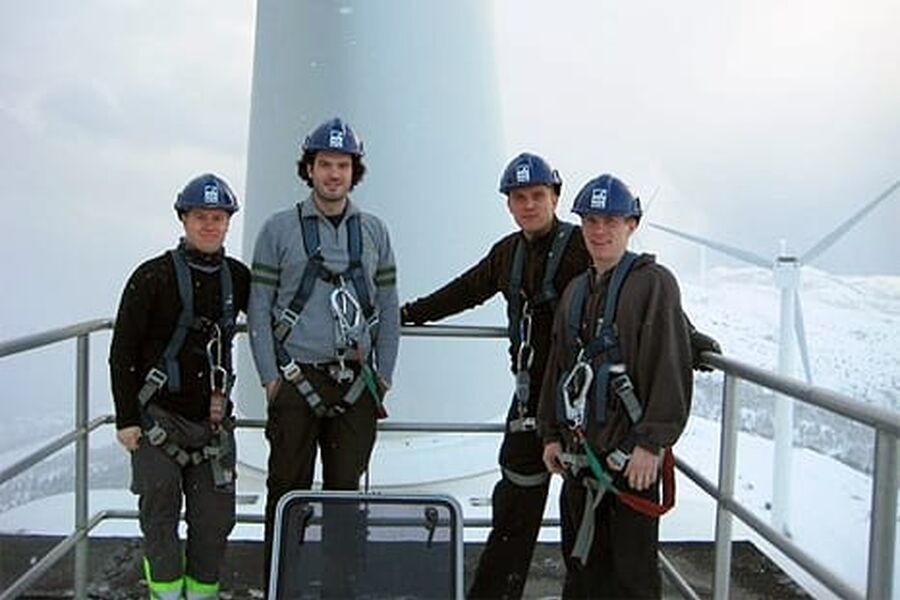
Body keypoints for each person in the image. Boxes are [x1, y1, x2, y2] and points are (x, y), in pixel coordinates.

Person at [401, 154, 719, 599]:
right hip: (544, 405)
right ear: (509, 205)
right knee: (522, 511)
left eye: (537, 196)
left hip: (597, 414)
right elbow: (466, 290)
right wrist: (412, 313)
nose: (529, 205)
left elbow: (646, 301)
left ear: (554, 198)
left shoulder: (586, 251)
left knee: (615, 540)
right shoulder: (509, 257)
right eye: (519, 198)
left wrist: (692, 340)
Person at [247, 117, 400, 590]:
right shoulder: (278, 230)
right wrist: (271, 377)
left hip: (355, 383)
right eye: (325, 164)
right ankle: (281, 585)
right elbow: (259, 307)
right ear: (309, 169)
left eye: (343, 165)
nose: (334, 174)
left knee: (344, 498)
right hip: (295, 380)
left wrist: (385, 375)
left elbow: (388, 306)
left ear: (355, 172)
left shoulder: (374, 232)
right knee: (286, 493)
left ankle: (341, 588)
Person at [539, 173, 692, 599]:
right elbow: (559, 367)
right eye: (590, 221)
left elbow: (670, 364)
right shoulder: (575, 291)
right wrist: (551, 434)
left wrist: (651, 443)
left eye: (610, 220)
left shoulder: (654, 284)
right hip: (579, 458)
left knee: (632, 578)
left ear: (632, 225)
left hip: (631, 461)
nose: (599, 231)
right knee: (582, 569)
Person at [109, 173, 250, 599]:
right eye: (200, 216)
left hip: (212, 424)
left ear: (228, 223)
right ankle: (165, 596)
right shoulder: (152, 277)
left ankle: (201, 595)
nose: (209, 225)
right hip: (158, 421)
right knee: (160, 515)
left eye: (218, 217)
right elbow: (123, 351)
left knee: (214, 521)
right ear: (184, 220)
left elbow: (271, 321)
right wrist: (127, 419)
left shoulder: (237, 279)